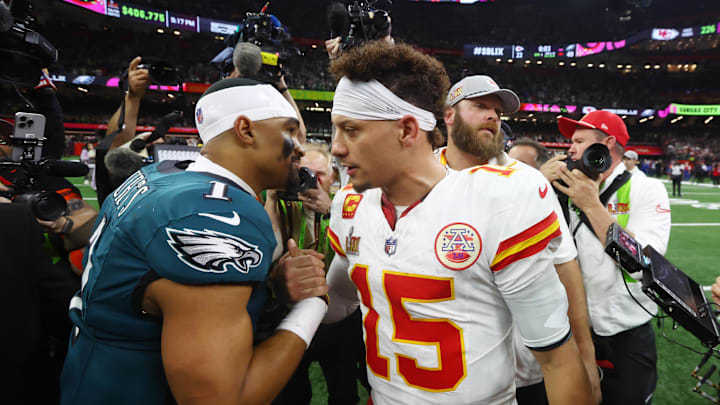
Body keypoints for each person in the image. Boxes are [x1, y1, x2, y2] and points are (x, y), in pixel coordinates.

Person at [324, 41, 592, 405]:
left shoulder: (501, 200)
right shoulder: (349, 205)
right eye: (336, 130)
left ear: (406, 130)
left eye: (351, 130)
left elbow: (558, 361)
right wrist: (297, 297)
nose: (336, 148)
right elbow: (339, 300)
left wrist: (587, 358)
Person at [60, 78, 329, 404]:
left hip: (95, 375)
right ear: (245, 130)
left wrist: (272, 284)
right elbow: (222, 399)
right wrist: (313, 305)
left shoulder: (163, 173)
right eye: (290, 130)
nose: (300, 145)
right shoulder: (211, 215)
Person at [441, 75, 600, 404]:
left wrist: (586, 355)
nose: (492, 116)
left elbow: (565, 269)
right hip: (446, 372)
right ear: (449, 115)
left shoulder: (526, 182)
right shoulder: (421, 174)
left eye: (498, 111)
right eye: (480, 106)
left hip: (526, 367)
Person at [543, 110, 671, 405]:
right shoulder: (564, 188)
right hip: (572, 333)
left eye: (578, 140)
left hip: (626, 333)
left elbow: (644, 265)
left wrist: (591, 205)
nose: (570, 148)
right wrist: (536, 185)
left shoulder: (646, 189)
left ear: (608, 143)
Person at [267, 143, 366, 405]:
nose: (311, 180)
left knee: (343, 391)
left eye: (319, 174)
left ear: (333, 176)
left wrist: (331, 209)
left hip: (339, 315)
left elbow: (366, 246)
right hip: (290, 313)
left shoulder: (347, 204)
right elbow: (267, 250)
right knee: (292, 393)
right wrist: (272, 200)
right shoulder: (281, 205)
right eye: (304, 173)